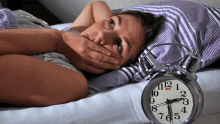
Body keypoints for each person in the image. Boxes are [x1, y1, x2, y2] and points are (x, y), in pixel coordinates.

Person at [0, 1, 165, 107]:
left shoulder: (72, 82)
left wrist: (59, 41)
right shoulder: (76, 35)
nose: (102, 35)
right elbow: (95, 5)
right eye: (111, 23)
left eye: (119, 46)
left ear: (119, 67)